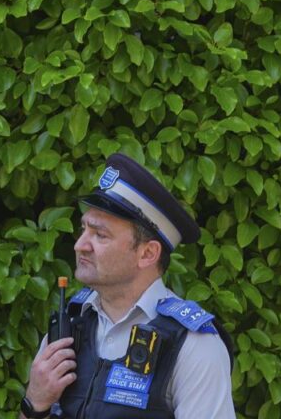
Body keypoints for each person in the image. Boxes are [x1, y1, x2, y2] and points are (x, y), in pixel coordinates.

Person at [21, 153, 235, 419]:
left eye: (100, 235)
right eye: (83, 229)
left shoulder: (194, 345)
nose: (80, 245)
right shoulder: (69, 325)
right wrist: (34, 404)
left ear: (147, 254)